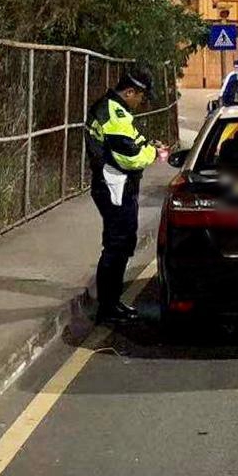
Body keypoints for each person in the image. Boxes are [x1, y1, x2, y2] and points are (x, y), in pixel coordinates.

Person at [85, 65, 160, 323]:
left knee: (122, 243)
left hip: (115, 184)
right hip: (114, 186)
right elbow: (130, 157)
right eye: (141, 96)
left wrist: (147, 146)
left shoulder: (115, 110)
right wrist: (153, 153)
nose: (141, 102)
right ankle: (108, 307)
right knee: (117, 245)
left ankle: (112, 302)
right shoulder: (114, 113)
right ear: (130, 92)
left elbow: (133, 140)